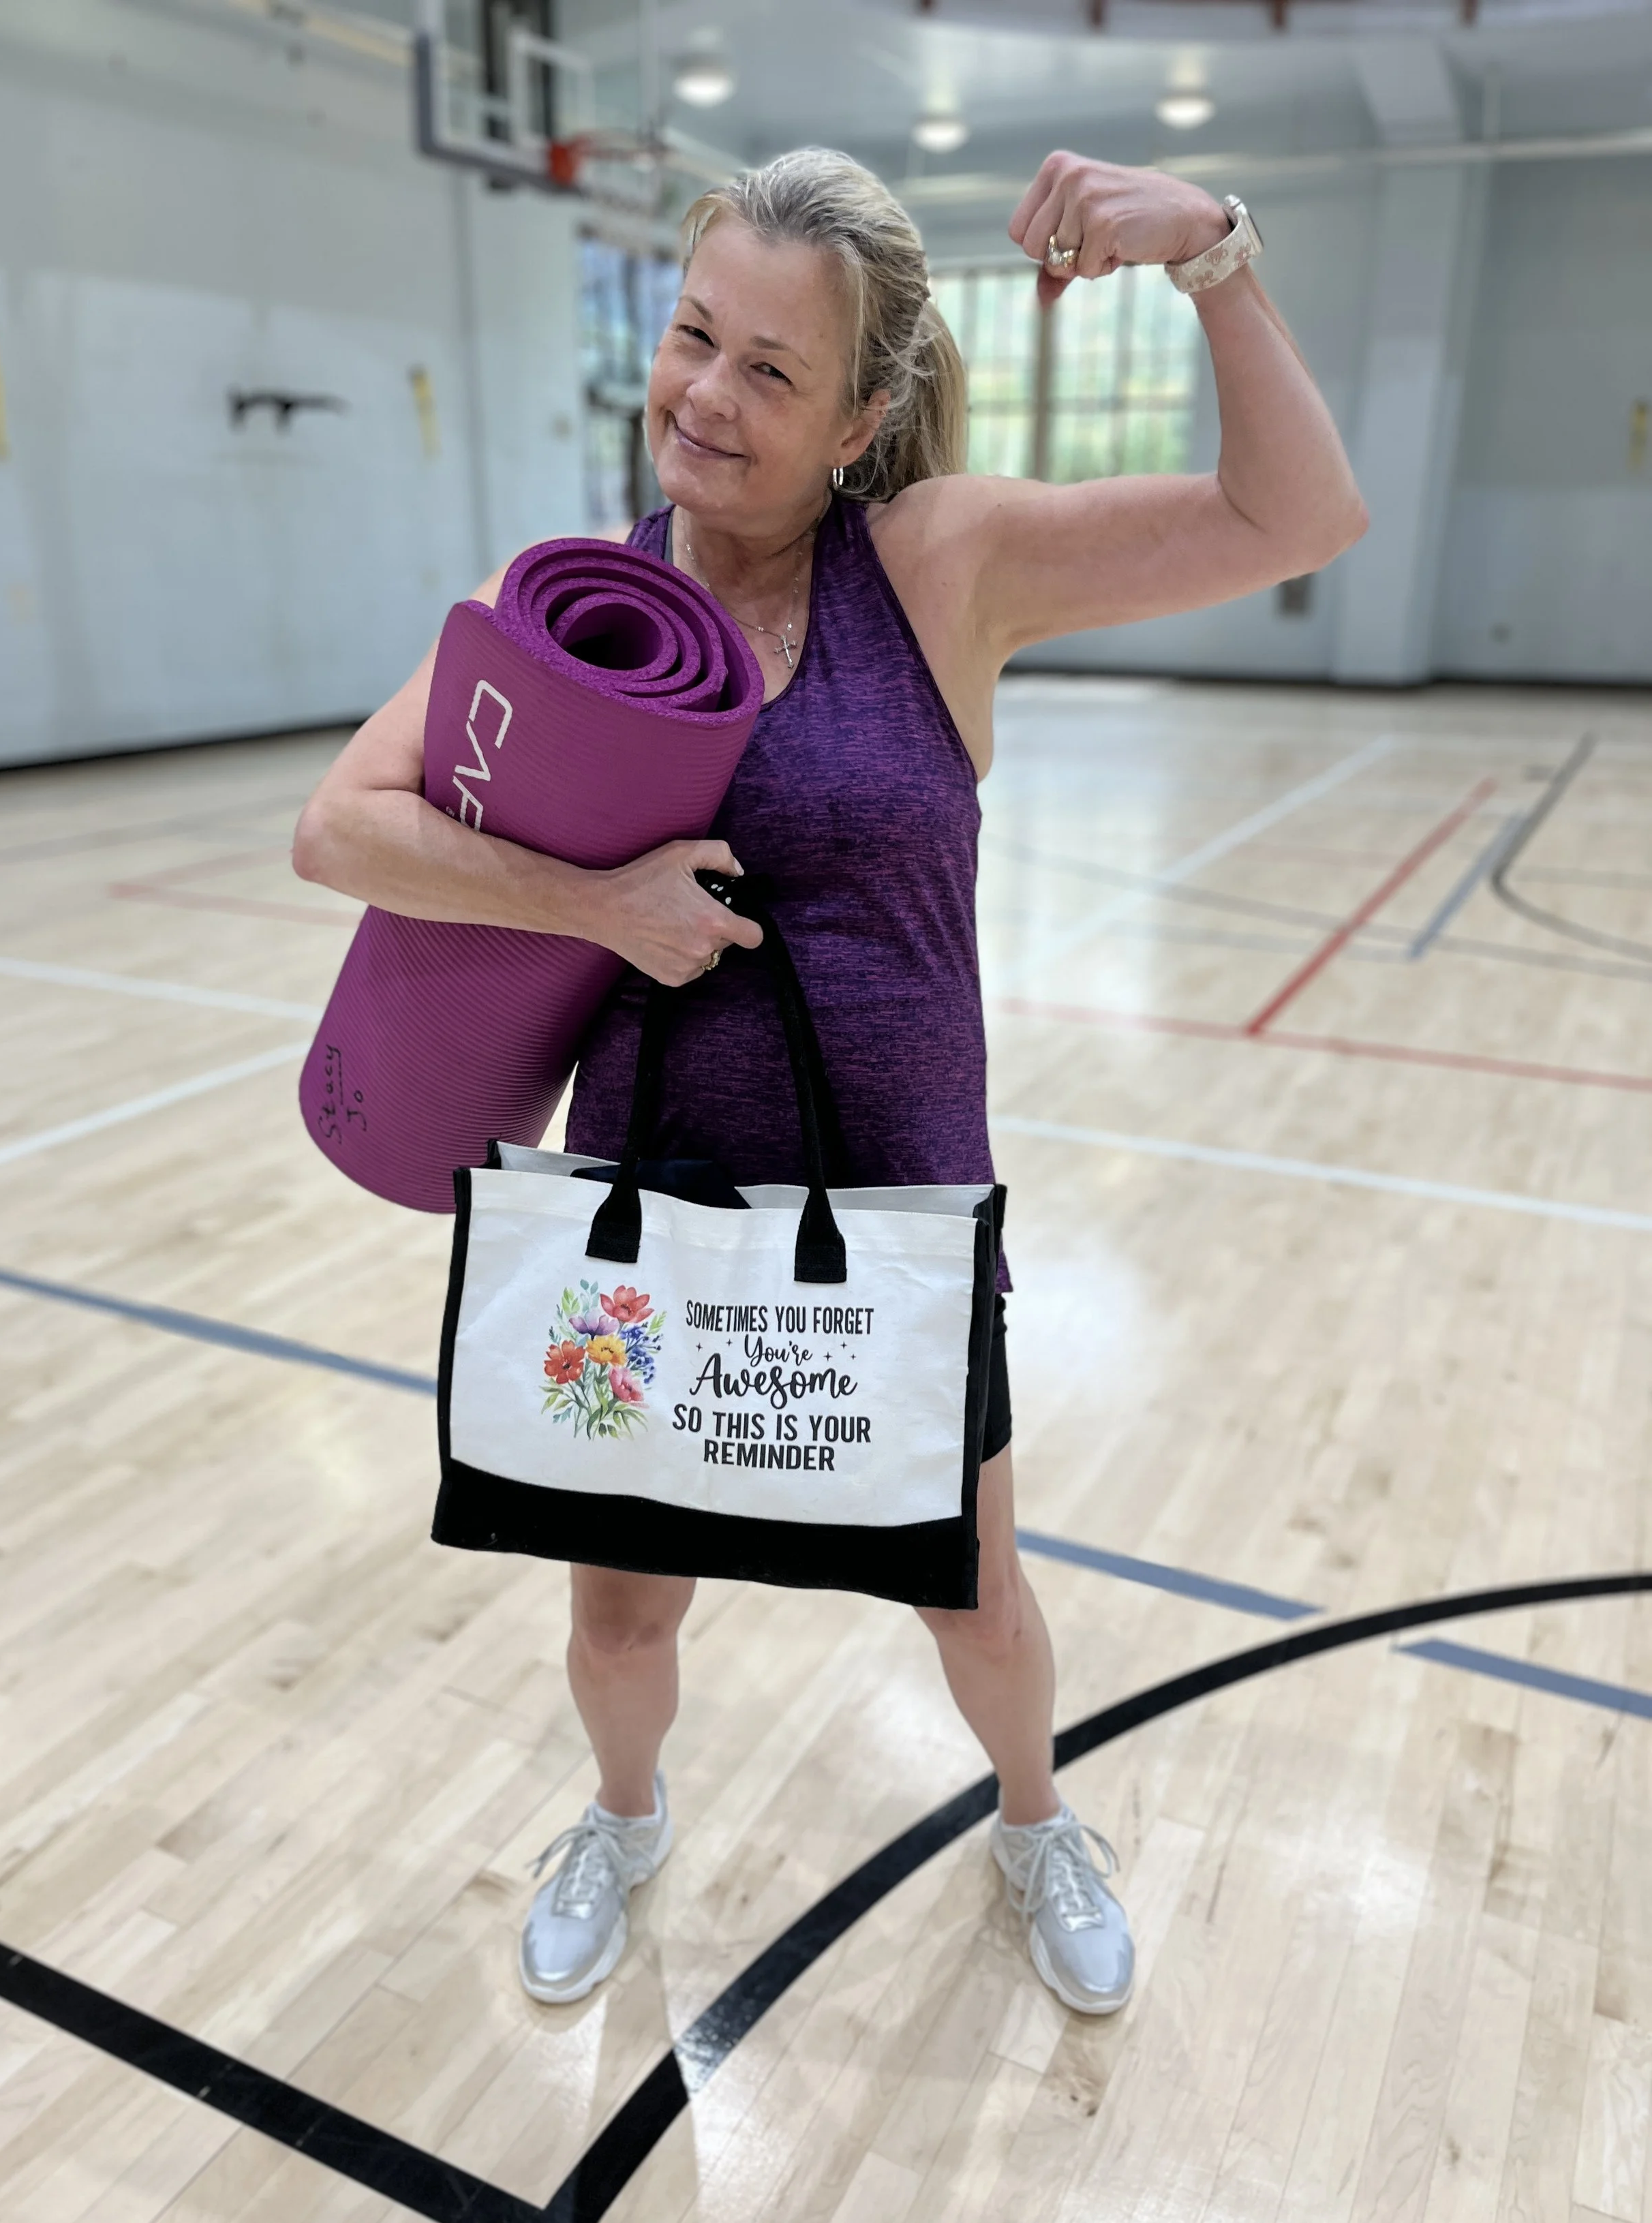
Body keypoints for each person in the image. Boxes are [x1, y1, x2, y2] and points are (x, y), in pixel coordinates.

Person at [294, 146, 1365, 2017]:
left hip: (895, 1197)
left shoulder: (939, 565)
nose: (704, 394)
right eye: (694, 337)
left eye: (772, 371)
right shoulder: (569, 605)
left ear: (863, 413)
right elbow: (338, 829)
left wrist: (1211, 252)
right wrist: (594, 904)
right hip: (645, 1199)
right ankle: (623, 1823)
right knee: (620, 1604)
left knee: (970, 1593)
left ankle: (1034, 1818)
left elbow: (1299, 515)